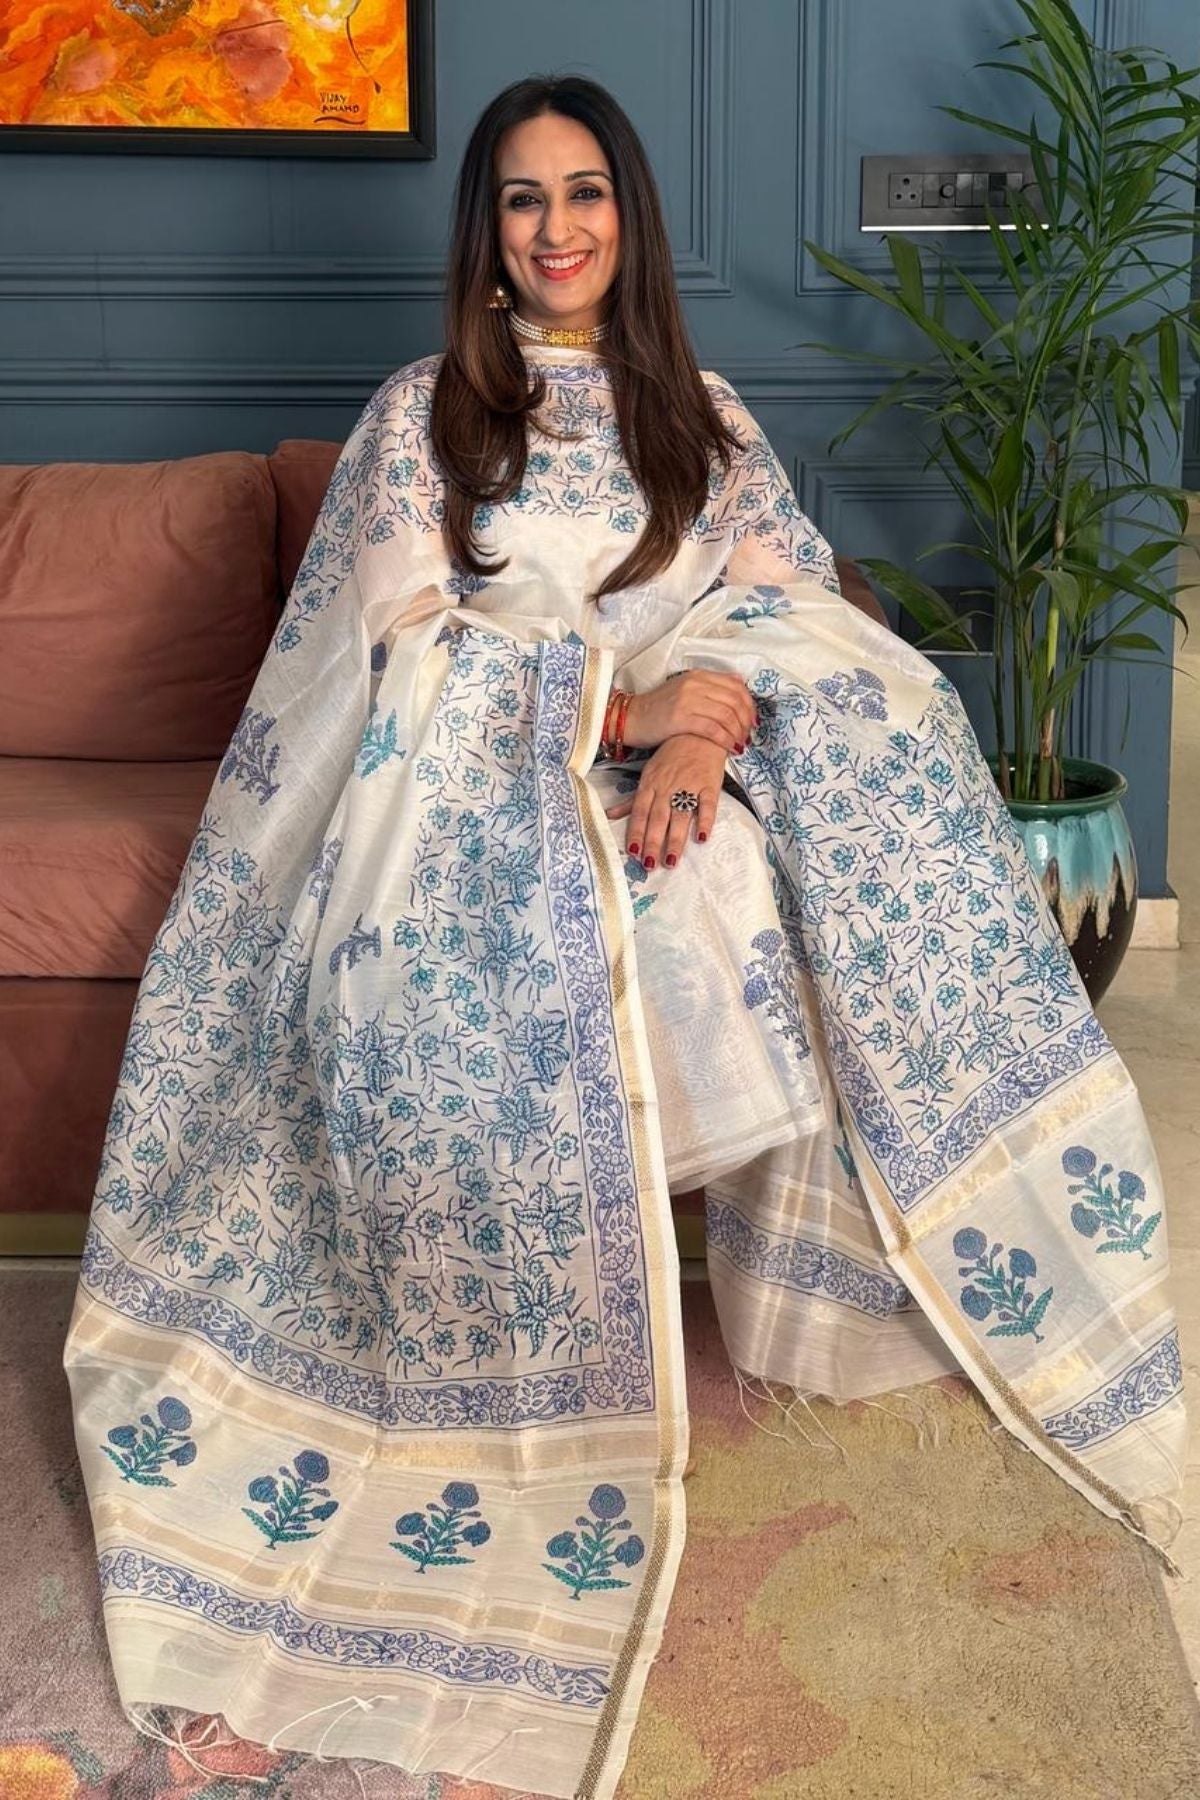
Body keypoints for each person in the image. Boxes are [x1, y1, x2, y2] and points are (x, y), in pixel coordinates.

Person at [62, 72, 1187, 1800]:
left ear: (628, 216)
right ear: (486, 233)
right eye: (523, 199)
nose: (557, 228)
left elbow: (787, 605)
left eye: (584, 192)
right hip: (456, 804)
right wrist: (615, 704)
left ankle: (810, 1301)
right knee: (596, 925)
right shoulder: (421, 417)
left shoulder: (701, 416)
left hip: (661, 779)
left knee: (732, 865)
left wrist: (699, 732)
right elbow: (397, 650)